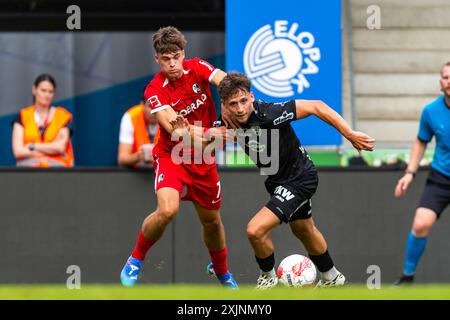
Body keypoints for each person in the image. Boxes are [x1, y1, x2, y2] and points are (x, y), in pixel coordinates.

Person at [186, 71, 375, 289]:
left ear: (252, 97)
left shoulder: (270, 113)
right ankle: (331, 277)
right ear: (225, 105)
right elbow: (205, 144)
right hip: (278, 182)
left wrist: (349, 133)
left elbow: (317, 106)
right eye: (233, 104)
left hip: (299, 178)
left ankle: (267, 277)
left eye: (244, 101)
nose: (240, 109)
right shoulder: (227, 122)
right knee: (303, 230)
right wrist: (187, 132)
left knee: (255, 230)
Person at [120, 26, 238, 289]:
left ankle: (221, 272)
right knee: (167, 210)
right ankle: (135, 260)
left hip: (203, 157)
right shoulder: (154, 90)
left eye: (176, 56)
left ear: (183, 53)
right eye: (166, 59)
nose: (172, 64)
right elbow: (177, 131)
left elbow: (225, 81)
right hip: (171, 154)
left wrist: (233, 104)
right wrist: (213, 132)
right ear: (157, 59)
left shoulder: (198, 67)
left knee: (212, 221)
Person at [393, 62, 450, 285]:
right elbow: (421, 141)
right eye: (446, 77)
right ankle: (407, 278)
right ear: (440, 83)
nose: (449, 81)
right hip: (441, 178)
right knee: (420, 224)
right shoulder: (431, 111)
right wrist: (409, 173)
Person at [11, 74, 74, 168]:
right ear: (34, 90)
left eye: (51, 92)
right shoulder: (22, 115)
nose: (47, 95)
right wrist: (50, 149)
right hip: (28, 170)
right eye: (43, 90)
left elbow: (60, 147)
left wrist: (32, 146)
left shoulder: (62, 115)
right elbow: (18, 151)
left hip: (57, 169)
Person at [118, 97, 160, 168]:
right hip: (137, 173)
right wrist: (138, 156)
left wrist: (160, 159)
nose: (154, 111)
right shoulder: (131, 117)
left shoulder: (170, 117)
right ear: (142, 105)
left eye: (158, 107)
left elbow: (180, 158)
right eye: (150, 106)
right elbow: (122, 159)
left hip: (163, 173)